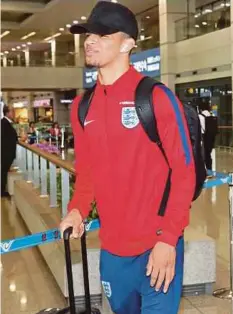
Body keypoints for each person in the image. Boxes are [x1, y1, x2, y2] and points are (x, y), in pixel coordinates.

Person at [59, 2, 196, 313]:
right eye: (88, 34)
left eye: (103, 35)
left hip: (157, 246)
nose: (90, 41)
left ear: (128, 43)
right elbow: (87, 172)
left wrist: (169, 238)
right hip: (112, 253)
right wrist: (77, 209)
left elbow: (184, 172)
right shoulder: (82, 106)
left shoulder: (157, 98)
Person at [1, 105, 17, 197]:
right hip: (5, 153)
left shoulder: (6, 123)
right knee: (3, 172)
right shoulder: (4, 123)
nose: (14, 113)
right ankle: (1, 191)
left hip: (6, 153)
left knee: (3, 171)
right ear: (7, 112)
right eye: (12, 111)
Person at [198, 100, 218, 170]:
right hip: (211, 136)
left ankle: (204, 169)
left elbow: (199, 127)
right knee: (208, 154)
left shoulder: (200, 116)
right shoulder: (212, 115)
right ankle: (210, 168)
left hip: (204, 136)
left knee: (203, 154)